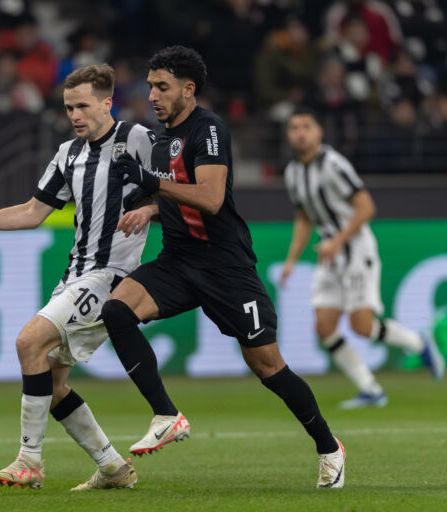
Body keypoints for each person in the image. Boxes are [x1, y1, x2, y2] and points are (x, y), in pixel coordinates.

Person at [102, 46, 345, 488]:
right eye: (150, 85)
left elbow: (211, 198)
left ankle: (329, 446)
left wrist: (151, 185)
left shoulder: (208, 128)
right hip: (178, 260)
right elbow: (176, 193)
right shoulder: (160, 138)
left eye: (162, 87)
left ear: (188, 89)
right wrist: (152, 209)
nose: (152, 95)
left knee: (269, 368)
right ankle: (166, 414)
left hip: (224, 267)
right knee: (117, 312)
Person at [0, 64, 155, 491]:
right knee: (51, 382)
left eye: (83, 106)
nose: (74, 115)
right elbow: (33, 212)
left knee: (29, 341)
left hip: (113, 276)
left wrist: (150, 209)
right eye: (69, 107)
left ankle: (29, 460)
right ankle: (113, 468)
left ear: (107, 103)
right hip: (76, 274)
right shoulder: (68, 153)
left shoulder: (137, 139)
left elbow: (179, 188)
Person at [280, 107, 445, 408]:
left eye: (306, 126)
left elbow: (366, 207)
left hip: (355, 249)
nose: (300, 133)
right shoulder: (292, 173)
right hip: (329, 253)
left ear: (319, 132)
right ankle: (370, 389)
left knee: (362, 327)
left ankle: (419, 344)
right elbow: (303, 218)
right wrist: (292, 260)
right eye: (294, 128)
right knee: (324, 326)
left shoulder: (333, 164)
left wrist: (338, 241)